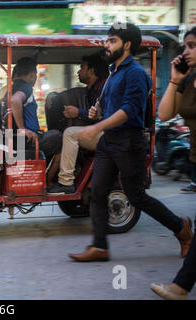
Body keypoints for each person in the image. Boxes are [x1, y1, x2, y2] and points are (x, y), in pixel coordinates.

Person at [68, 23, 193, 262]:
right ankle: (100, 246)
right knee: (98, 191)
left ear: (126, 45)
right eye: (107, 40)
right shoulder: (114, 72)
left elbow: (129, 110)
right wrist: (96, 113)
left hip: (128, 142)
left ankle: (181, 228)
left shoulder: (135, 73)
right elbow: (110, 107)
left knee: (136, 196)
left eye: (112, 40)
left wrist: (96, 127)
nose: (106, 45)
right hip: (109, 141)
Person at [150, 26, 196, 300]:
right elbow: (165, 113)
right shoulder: (189, 81)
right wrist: (175, 80)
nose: (185, 52)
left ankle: (180, 287)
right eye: (184, 47)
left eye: (191, 46)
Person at [47, 53, 109, 194]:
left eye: (82, 68)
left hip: (110, 134)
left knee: (70, 134)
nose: (78, 71)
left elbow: (106, 116)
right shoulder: (91, 90)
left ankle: (66, 181)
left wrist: (79, 113)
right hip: (101, 131)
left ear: (91, 71)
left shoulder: (104, 88)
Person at [10, 57, 63, 186]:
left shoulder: (11, 88)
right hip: (29, 141)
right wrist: (22, 129)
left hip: (16, 140)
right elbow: (15, 101)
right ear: (33, 74)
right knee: (61, 137)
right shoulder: (25, 88)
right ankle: (48, 180)